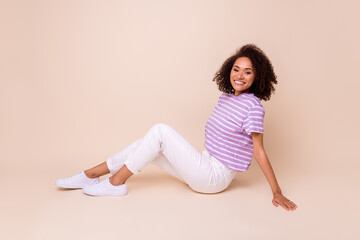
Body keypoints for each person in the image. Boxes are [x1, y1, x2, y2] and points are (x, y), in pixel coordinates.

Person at [55, 44, 297, 211]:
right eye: (236, 69)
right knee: (147, 145)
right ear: (229, 70)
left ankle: (116, 183)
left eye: (248, 72)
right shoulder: (226, 98)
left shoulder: (253, 107)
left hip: (214, 177)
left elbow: (259, 151)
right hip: (204, 163)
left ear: (258, 77)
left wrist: (276, 192)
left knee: (160, 131)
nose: (240, 76)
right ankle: (89, 176)